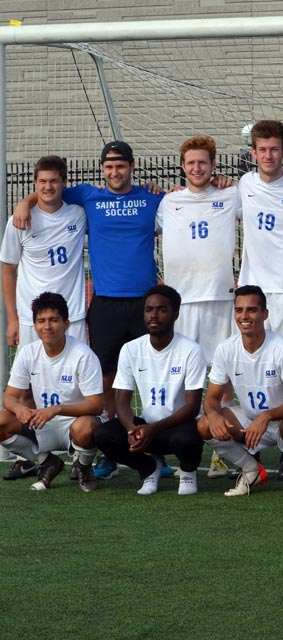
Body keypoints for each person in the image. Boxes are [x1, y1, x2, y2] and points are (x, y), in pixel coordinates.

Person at [13, 141, 163, 427]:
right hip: (105, 302)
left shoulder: (151, 198)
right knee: (106, 376)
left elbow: (187, 197)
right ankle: (109, 439)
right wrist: (24, 202)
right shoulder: (87, 196)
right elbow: (48, 191)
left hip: (145, 303)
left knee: (150, 373)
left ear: (131, 167)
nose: (115, 171)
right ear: (102, 169)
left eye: (120, 165)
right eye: (109, 166)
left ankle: (151, 440)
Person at [0, 156, 87, 480]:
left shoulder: (78, 213)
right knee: (22, 393)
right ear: (34, 185)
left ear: (64, 182)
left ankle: (81, 452)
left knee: (77, 387)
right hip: (30, 319)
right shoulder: (19, 221)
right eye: (42, 183)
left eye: (54, 181)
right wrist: (12, 318)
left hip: (72, 316)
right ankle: (36, 456)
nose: (48, 187)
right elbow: (8, 268)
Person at [236, 120, 283, 481]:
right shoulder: (243, 184)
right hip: (252, 290)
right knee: (249, 364)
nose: (268, 155)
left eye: (274, 149)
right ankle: (243, 443)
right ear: (254, 153)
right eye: (262, 149)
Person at [197, 286, 283, 498]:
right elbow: (212, 397)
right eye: (239, 310)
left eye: (251, 310)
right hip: (249, 420)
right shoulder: (226, 348)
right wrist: (213, 415)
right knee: (205, 424)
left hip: (282, 421)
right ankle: (251, 469)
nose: (244, 316)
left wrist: (266, 416)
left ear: (265, 314)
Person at [93, 285, 206, 496]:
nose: (153, 315)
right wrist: (130, 429)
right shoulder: (131, 348)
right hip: (145, 428)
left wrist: (153, 429)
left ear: (175, 314)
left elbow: (192, 407)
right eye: (149, 309)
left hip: (179, 427)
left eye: (162, 309)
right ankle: (148, 469)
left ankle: (188, 471)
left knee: (187, 438)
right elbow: (122, 402)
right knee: (103, 434)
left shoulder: (191, 350)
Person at [0, 292, 103, 492]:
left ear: (66, 323)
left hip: (74, 423)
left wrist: (56, 409)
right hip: (42, 422)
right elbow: (9, 397)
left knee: (87, 426)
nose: (47, 326)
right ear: (35, 325)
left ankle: (83, 465)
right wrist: (19, 408)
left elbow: (97, 405)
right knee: (2, 421)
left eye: (54, 320)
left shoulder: (83, 355)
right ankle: (48, 462)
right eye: (41, 321)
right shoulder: (28, 352)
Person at [156, 136, 239, 365]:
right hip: (181, 298)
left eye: (202, 163)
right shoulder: (169, 201)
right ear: (183, 166)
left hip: (218, 296)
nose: (196, 168)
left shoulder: (231, 195)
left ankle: (220, 404)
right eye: (191, 163)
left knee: (222, 370)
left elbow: (261, 196)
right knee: (180, 368)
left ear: (213, 165)